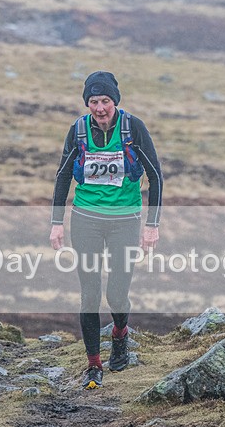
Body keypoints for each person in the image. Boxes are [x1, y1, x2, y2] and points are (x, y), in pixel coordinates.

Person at [49, 71, 163, 390]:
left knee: (116, 293)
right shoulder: (78, 130)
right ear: (87, 103)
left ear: (115, 101)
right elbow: (62, 176)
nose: (100, 108)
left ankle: (120, 333)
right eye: (94, 101)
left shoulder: (132, 128)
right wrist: (56, 223)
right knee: (89, 293)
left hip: (125, 220)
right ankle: (93, 365)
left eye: (106, 101)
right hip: (85, 219)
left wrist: (152, 226)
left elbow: (156, 176)